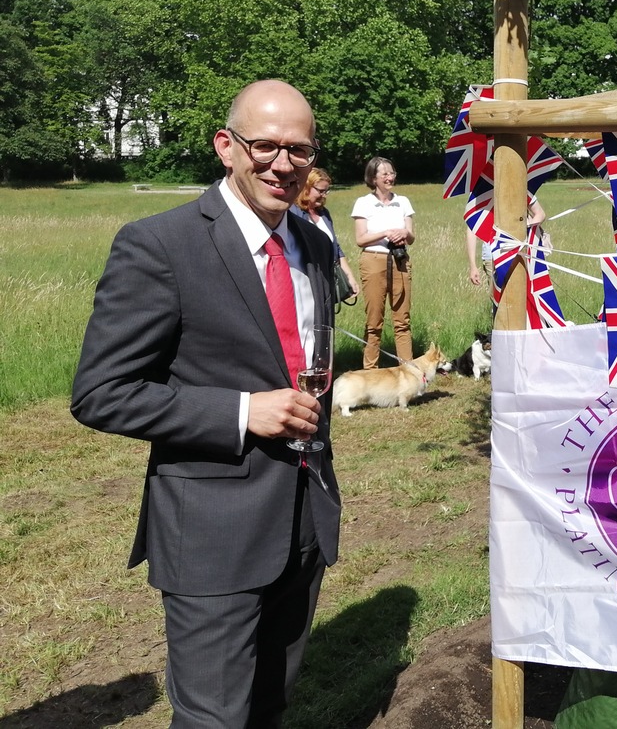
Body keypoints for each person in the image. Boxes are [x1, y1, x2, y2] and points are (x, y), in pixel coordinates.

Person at [71, 79, 341, 727]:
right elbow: (100, 392)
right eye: (265, 145)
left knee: (271, 706)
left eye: (298, 149)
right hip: (213, 532)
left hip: (305, 520)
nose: (283, 163)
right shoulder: (160, 245)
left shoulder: (317, 246)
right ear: (227, 146)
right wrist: (243, 412)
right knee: (213, 719)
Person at [352, 157, 415, 366]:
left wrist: (404, 232)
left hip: (400, 259)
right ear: (373, 178)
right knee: (374, 321)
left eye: (392, 172)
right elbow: (360, 239)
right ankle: (370, 371)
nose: (390, 177)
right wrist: (386, 233)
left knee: (402, 320)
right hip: (374, 260)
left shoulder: (403, 201)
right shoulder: (363, 203)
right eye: (384, 174)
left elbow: (411, 237)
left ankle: (408, 371)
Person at [294, 168, 360, 301]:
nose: (324, 195)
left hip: (328, 278)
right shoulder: (293, 212)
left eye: (326, 191)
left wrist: (349, 277)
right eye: (320, 191)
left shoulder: (324, 213)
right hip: (305, 277)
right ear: (306, 187)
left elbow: (336, 247)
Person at [466, 197, 547, 288]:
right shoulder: (481, 193)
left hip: (521, 251)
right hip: (492, 255)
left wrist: (525, 231)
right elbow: (472, 229)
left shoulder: (521, 188)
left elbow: (540, 214)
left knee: (523, 295)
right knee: (499, 298)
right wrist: (473, 266)